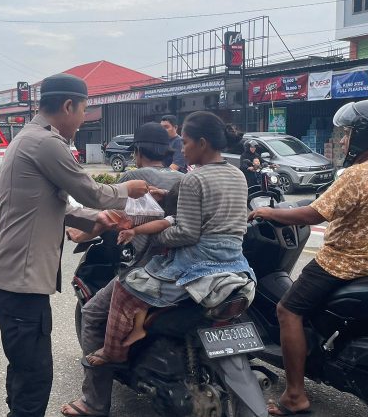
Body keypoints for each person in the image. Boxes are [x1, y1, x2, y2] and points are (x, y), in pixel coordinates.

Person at [0, 73, 149, 417]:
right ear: (69, 105)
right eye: (83, 111)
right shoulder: (48, 143)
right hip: (19, 283)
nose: (82, 120)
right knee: (35, 376)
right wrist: (128, 189)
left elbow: (56, 203)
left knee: (24, 368)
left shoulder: (27, 138)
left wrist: (96, 220)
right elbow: (91, 190)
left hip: (9, 278)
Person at [248, 100, 368, 416]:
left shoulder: (359, 174)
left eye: (347, 134)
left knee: (287, 310)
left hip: (344, 264)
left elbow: (313, 214)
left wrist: (269, 212)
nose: (342, 140)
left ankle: (295, 396)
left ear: (365, 136)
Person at [84, 111, 252, 368]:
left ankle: (112, 351)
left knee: (125, 289)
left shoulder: (195, 178)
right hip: (234, 262)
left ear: (202, 143)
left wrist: (152, 233)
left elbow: (186, 233)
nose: (181, 150)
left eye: (185, 142)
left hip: (197, 264)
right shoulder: (237, 174)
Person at [61, 122, 184, 417]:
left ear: (138, 151)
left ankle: (94, 402)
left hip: (145, 270)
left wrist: (78, 234)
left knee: (92, 315)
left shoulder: (134, 177)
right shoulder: (181, 179)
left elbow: (114, 218)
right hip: (182, 270)